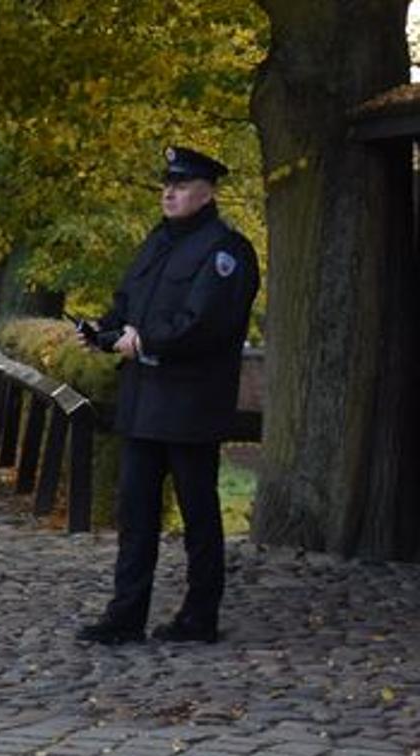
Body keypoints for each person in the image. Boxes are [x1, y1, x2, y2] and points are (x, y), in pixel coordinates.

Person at [74, 146, 260, 646]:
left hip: (190, 405)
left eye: (180, 184)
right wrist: (103, 331)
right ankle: (126, 614)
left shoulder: (227, 251)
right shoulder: (158, 242)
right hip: (143, 402)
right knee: (135, 515)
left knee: (199, 516)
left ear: (208, 191)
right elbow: (126, 301)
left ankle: (200, 617)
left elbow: (205, 325)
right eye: (167, 183)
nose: (169, 191)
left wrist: (147, 341)